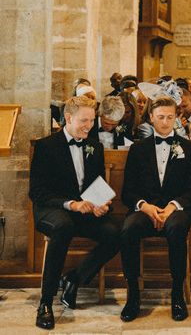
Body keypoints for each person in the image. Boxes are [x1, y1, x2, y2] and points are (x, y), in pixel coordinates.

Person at [29, 96, 119, 330]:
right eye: (84, 120)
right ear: (68, 118)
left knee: (117, 232)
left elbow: (96, 184)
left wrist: (101, 204)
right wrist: (71, 204)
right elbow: (37, 192)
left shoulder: (95, 146)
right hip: (53, 210)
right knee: (63, 227)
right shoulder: (46, 146)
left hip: (84, 211)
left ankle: (74, 278)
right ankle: (46, 303)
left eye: (92, 120)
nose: (89, 126)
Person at [119, 96, 191, 323]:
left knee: (176, 230)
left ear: (177, 118)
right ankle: (133, 296)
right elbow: (128, 192)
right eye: (161, 117)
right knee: (128, 229)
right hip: (145, 209)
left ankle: (177, 295)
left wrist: (172, 207)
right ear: (151, 118)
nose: (165, 122)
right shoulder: (138, 149)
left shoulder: (189, 148)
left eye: (170, 117)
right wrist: (145, 207)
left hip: (177, 209)